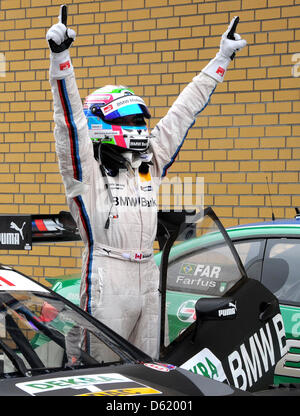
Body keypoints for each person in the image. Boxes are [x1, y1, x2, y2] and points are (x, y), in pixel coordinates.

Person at [46, 11, 246, 359]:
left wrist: (221, 59)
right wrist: (61, 59)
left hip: (148, 275)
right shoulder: (85, 174)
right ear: (102, 125)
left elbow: (183, 113)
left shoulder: (148, 165)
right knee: (103, 369)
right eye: (130, 121)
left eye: (141, 120)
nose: (140, 128)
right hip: (107, 276)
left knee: (149, 369)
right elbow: (70, 122)